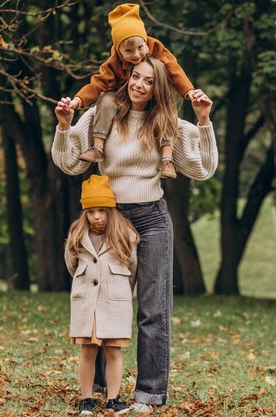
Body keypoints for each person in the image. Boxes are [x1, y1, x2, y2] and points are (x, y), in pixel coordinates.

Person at [53, 56, 217, 412]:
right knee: (104, 304)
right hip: (111, 221)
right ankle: (98, 388)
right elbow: (70, 163)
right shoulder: (104, 114)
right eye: (135, 77)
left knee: (153, 310)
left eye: (147, 80)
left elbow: (203, 169)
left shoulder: (166, 122)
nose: (138, 84)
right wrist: (64, 126)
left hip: (152, 219)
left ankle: (149, 394)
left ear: (158, 87)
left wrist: (203, 120)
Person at [60, 3, 196, 179]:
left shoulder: (155, 47)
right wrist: (77, 101)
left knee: (167, 105)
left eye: (140, 47)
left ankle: (167, 158)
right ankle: (98, 147)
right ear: (118, 51)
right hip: (121, 95)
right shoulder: (113, 63)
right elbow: (98, 83)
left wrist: (189, 92)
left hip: (154, 96)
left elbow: (174, 69)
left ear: (145, 41)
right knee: (107, 100)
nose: (137, 54)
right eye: (128, 51)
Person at [65, 175, 140, 415]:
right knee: (88, 350)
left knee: (113, 350)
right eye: (91, 211)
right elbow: (71, 265)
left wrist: (123, 291)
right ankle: (86, 398)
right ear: (84, 212)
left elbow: (133, 268)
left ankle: (113, 399)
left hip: (114, 301)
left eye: (102, 210)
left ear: (110, 210)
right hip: (87, 303)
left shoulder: (123, 234)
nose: (96, 216)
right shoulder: (77, 235)